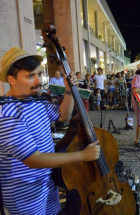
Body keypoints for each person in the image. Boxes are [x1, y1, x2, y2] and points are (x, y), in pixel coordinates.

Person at [0, 47, 100, 215]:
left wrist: (69, 90)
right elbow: (33, 159)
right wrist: (83, 155)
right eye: (30, 76)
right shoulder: (7, 113)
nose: (38, 81)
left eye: (39, 74)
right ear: (12, 79)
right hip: (25, 192)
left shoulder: (35, 101)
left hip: (47, 181)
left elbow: (63, 116)